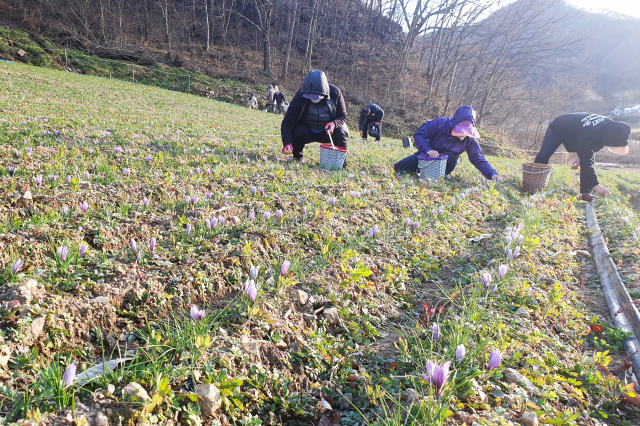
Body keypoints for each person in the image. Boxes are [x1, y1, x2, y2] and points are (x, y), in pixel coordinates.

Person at [534, 113, 630, 201]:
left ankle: (586, 192)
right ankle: (534, 184)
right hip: (558, 127)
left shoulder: (611, 128)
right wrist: (597, 185)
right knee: (543, 155)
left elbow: (594, 148)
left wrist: (581, 155)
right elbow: (586, 162)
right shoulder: (590, 134)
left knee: (589, 160)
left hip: (578, 131)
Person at [394, 105, 502, 182]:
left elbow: (478, 158)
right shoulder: (440, 123)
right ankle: (422, 171)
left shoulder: (469, 139)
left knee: (450, 157)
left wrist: (492, 174)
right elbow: (419, 134)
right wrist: (428, 150)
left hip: (445, 163)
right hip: (426, 156)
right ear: (455, 123)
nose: (463, 134)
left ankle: (435, 176)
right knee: (399, 167)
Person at [281, 70, 349, 166]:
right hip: (307, 131)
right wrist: (287, 142)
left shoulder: (335, 92)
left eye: (317, 96)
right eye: (310, 96)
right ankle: (297, 157)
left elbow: (342, 116)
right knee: (298, 130)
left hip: (328, 132)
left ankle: (341, 163)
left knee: (341, 132)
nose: (313, 99)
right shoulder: (300, 95)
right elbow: (288, 121)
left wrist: (333, 124)